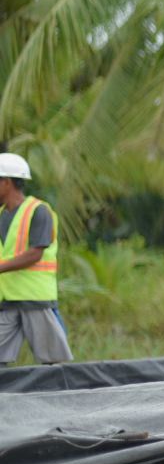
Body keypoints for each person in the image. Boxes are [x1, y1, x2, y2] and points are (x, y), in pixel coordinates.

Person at [0, 152, 73, 367]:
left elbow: (35, 254)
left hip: (36, 301)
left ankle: (63, 399)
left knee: (53, 363)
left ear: (6, 182)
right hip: (8, 301)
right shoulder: (1, 215)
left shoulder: (39, 212)